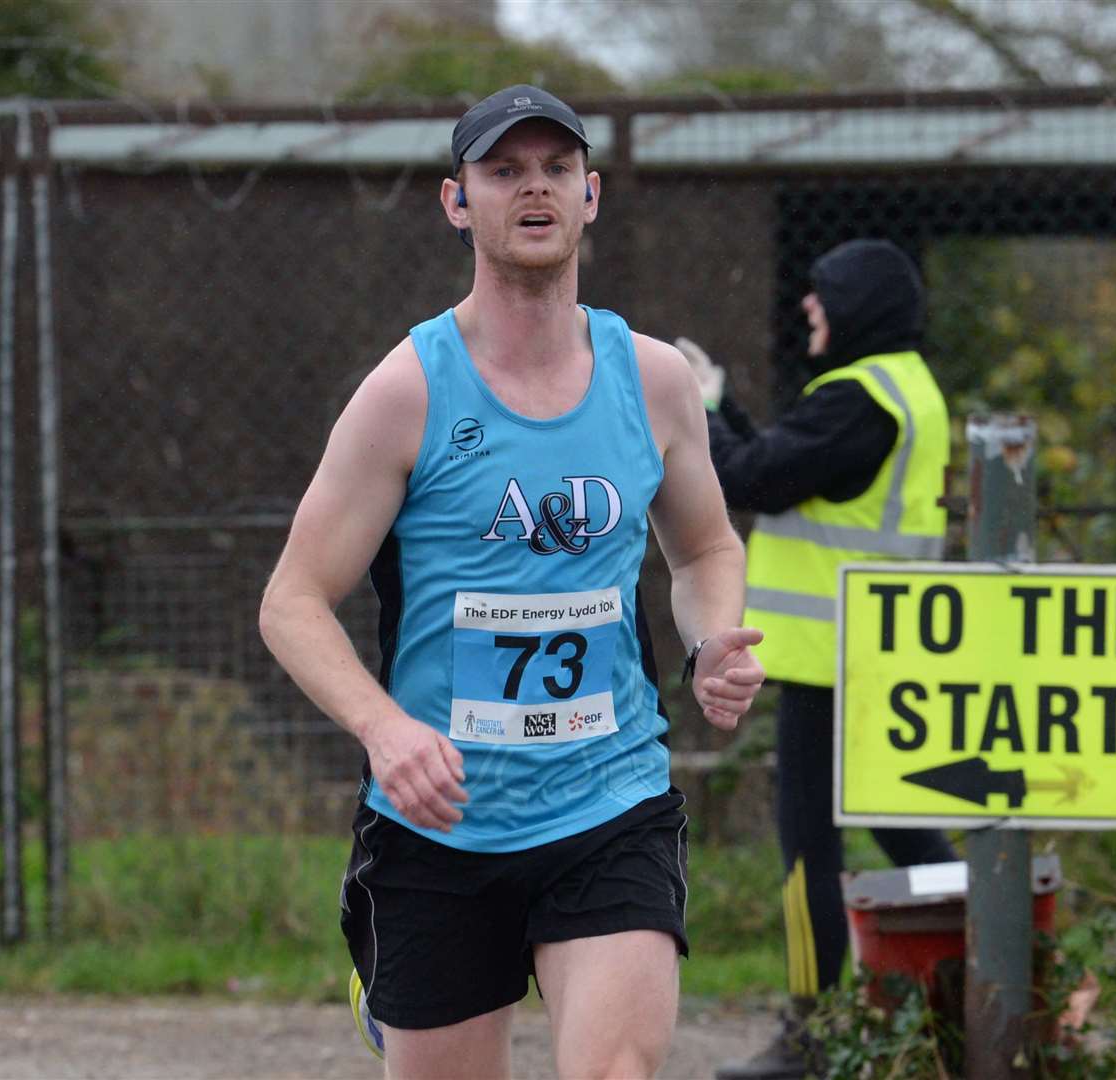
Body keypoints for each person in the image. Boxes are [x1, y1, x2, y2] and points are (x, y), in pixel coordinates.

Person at [258, 84, 765, 1080]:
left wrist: (712, 640)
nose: (532, 189)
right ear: (458, 202)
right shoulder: (407, 390)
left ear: (591, 196)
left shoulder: (655, 381)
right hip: (440, 824)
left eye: (555, 170)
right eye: (503, 172)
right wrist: (386, 729)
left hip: (608, 798)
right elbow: (292, 598)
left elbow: (704, 551)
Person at [685, 239, 957, 1080]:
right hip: (876, 654)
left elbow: (755, 479)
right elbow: (781, 471)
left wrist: (695, 409)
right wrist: (724, 404)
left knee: (810, 847)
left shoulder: (855, 400)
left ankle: (813, 1033)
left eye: (823, 293)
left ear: (858, 306)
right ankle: (984, 981)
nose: (809, 307)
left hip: (828, 661)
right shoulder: (905, 389)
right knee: (903, 825)